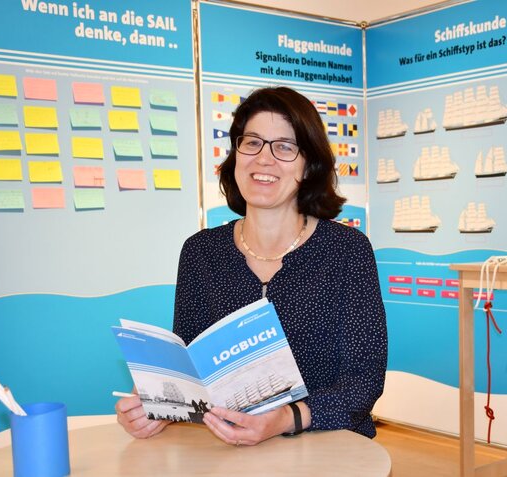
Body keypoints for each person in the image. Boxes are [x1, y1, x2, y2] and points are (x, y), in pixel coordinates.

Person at [116, 86, 388, 446]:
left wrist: (288, 418)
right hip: (226, 453)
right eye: (253, 142)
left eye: (285, 147)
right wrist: (159, 403)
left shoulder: (346, 252)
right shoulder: (201, 253)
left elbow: (363, 381)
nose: (264, 158)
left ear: (309, 166)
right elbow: (191, 368)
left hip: (330, 447)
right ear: (235, 155)